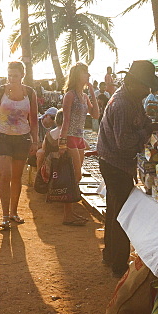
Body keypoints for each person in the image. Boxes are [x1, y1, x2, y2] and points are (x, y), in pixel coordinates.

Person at [98, 60, 158, 277]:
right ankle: (119, 265)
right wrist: (145, 133)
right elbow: (123, 143)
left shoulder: (132, 99)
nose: (148, 92)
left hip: (114, 161)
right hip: (115, 163)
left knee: (115, 210)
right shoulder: (123, 104)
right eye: (146, 87)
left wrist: (148, 126)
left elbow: (141, 122)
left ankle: (111, 255)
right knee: (122, 214)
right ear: (136, 84)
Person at [0, 61, 38, 231]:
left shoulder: (30, 92)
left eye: (15, 75)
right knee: (5, 175)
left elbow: (34, 118)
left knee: (16, 177)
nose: (12, 78)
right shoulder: (0, 92)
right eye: (10, 75)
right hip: (2, 137)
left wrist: (35, 140)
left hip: (22, 139)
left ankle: (14, 212)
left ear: (22, 75)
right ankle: (5, 215)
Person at [59, 63, 99, 226]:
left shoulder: (83, 96)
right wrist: (62, 143)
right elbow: (65, 120)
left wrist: (92, 93)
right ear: (77, 75)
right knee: (75, 174)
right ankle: (68, 213)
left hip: (79, 137)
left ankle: (70, 212)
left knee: (76, 175)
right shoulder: (70, 95)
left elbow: (95, 114)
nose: (88, 75)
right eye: (85, 73)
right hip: (70, 137)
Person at [36, 109, 64, 182]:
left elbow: (44, 146)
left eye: (54, 118)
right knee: (41, 153)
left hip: (49, 153)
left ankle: (40, 177)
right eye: (52, 117)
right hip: (39, 150)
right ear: (45, 116)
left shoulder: (53, 129)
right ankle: (39, 177)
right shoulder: (36, 123)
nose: (53, 120)